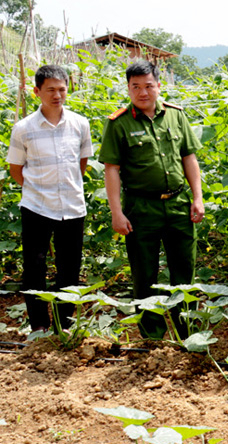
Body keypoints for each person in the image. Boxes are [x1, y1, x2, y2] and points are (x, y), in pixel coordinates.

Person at [98, 60, 204, 340]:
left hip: (179, 204)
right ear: (129, 89)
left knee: (184, 270)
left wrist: (198, 198)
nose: (143, 92)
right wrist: (116, 212)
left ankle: (187, 331)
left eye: (148, 85)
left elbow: (189, 158)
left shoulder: (176, 116)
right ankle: (152, 336)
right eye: (136, 87)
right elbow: (112, 170)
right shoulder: (118, 124)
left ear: (159, 85)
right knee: (145, 273)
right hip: (141, 207)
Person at [7, 65, 93, 335]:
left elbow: (82, 163)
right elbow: (16, 169)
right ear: (37, 92)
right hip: (36, 207)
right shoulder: (24, 129)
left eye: (62, 89)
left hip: (72, 206)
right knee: (34, 267)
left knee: (69, 267)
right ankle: (39, 326)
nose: (57, 95)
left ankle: (63, 325)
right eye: (51, 90)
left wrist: (64, 187)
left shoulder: (80, 124)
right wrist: (38, 190)